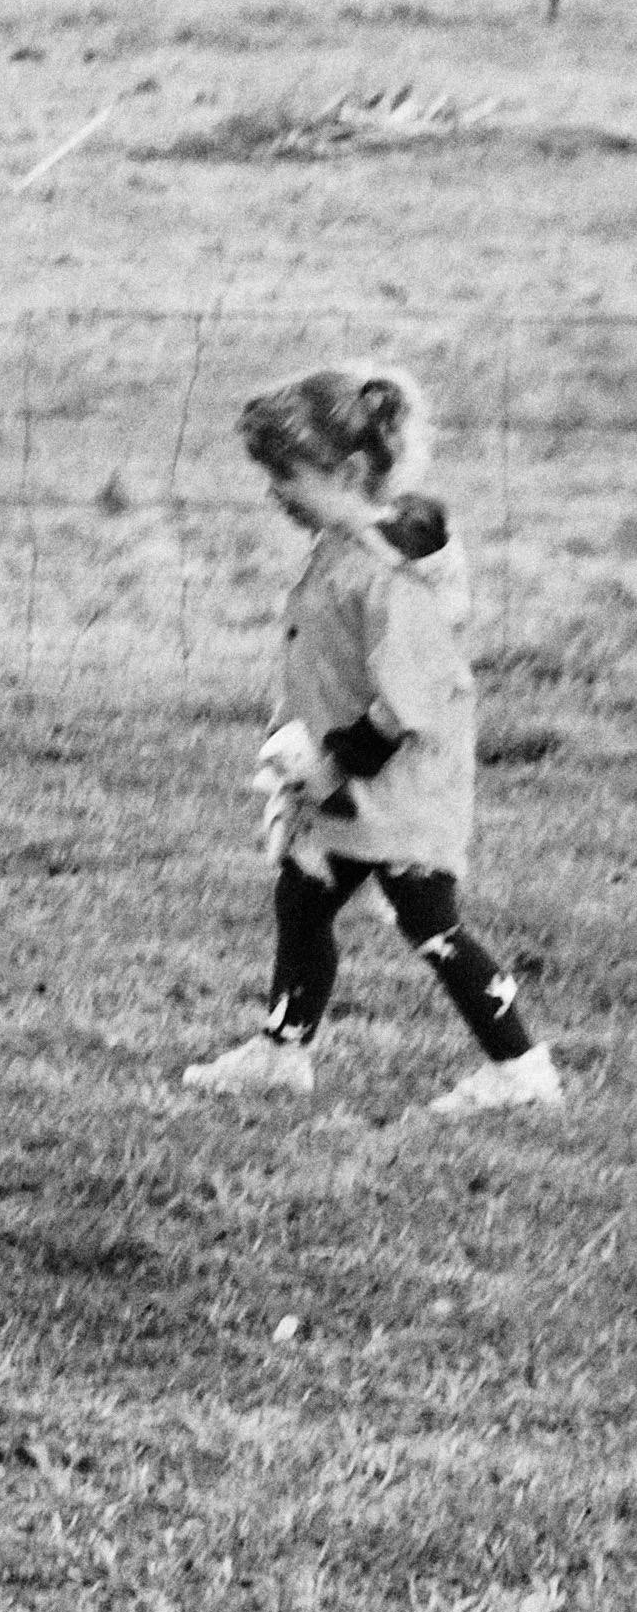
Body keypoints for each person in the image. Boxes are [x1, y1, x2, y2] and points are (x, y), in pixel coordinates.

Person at [181, 366, 560, 1116]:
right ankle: (282, 1049)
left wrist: (337, 763)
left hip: (397, 790)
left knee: (428, 918)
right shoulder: (340, 544)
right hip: (341, 788)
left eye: (285, 475)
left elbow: (412, 693)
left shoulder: (390, 575)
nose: (273, 493)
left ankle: (520, 1068)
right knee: (302, 899)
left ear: (349, 471)